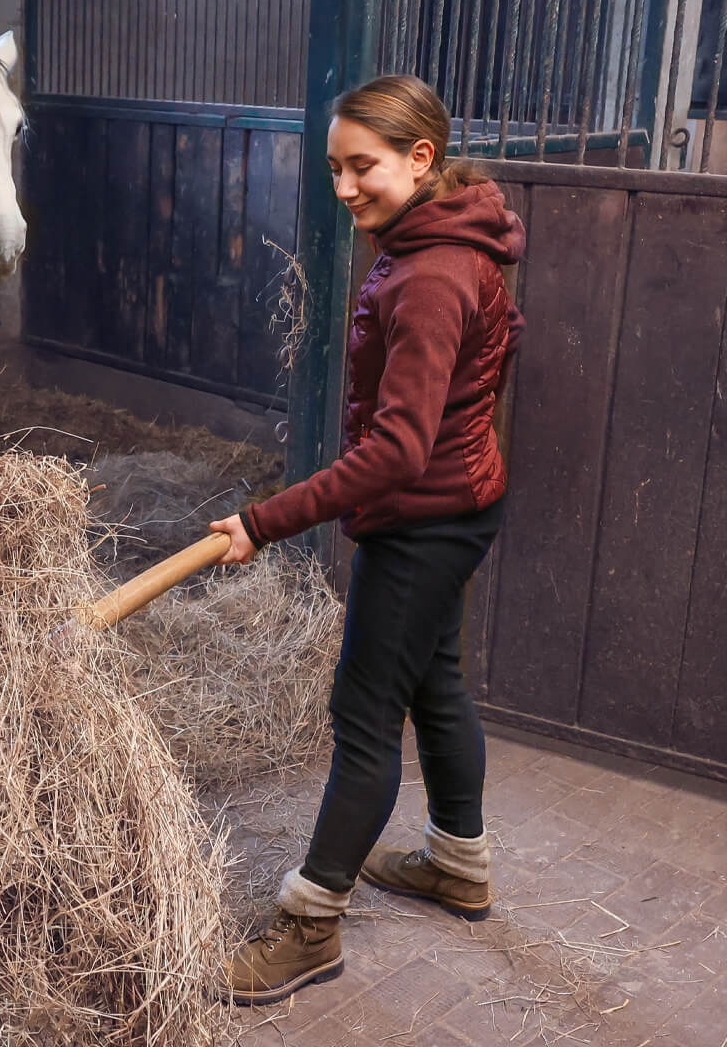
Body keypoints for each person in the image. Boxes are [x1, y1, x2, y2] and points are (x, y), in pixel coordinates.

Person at [210, 74, 526, 1006]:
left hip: (424, 521)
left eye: (364, 167)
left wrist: (265, 523)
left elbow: (397, 450)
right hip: (458, 504)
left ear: (421, 159)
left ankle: (309, 928)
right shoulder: (445, 239)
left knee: (361, 721)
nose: (344, 188)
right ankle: (459, 867)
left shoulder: (431, 273)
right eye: (335, 169)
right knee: (436, 682)